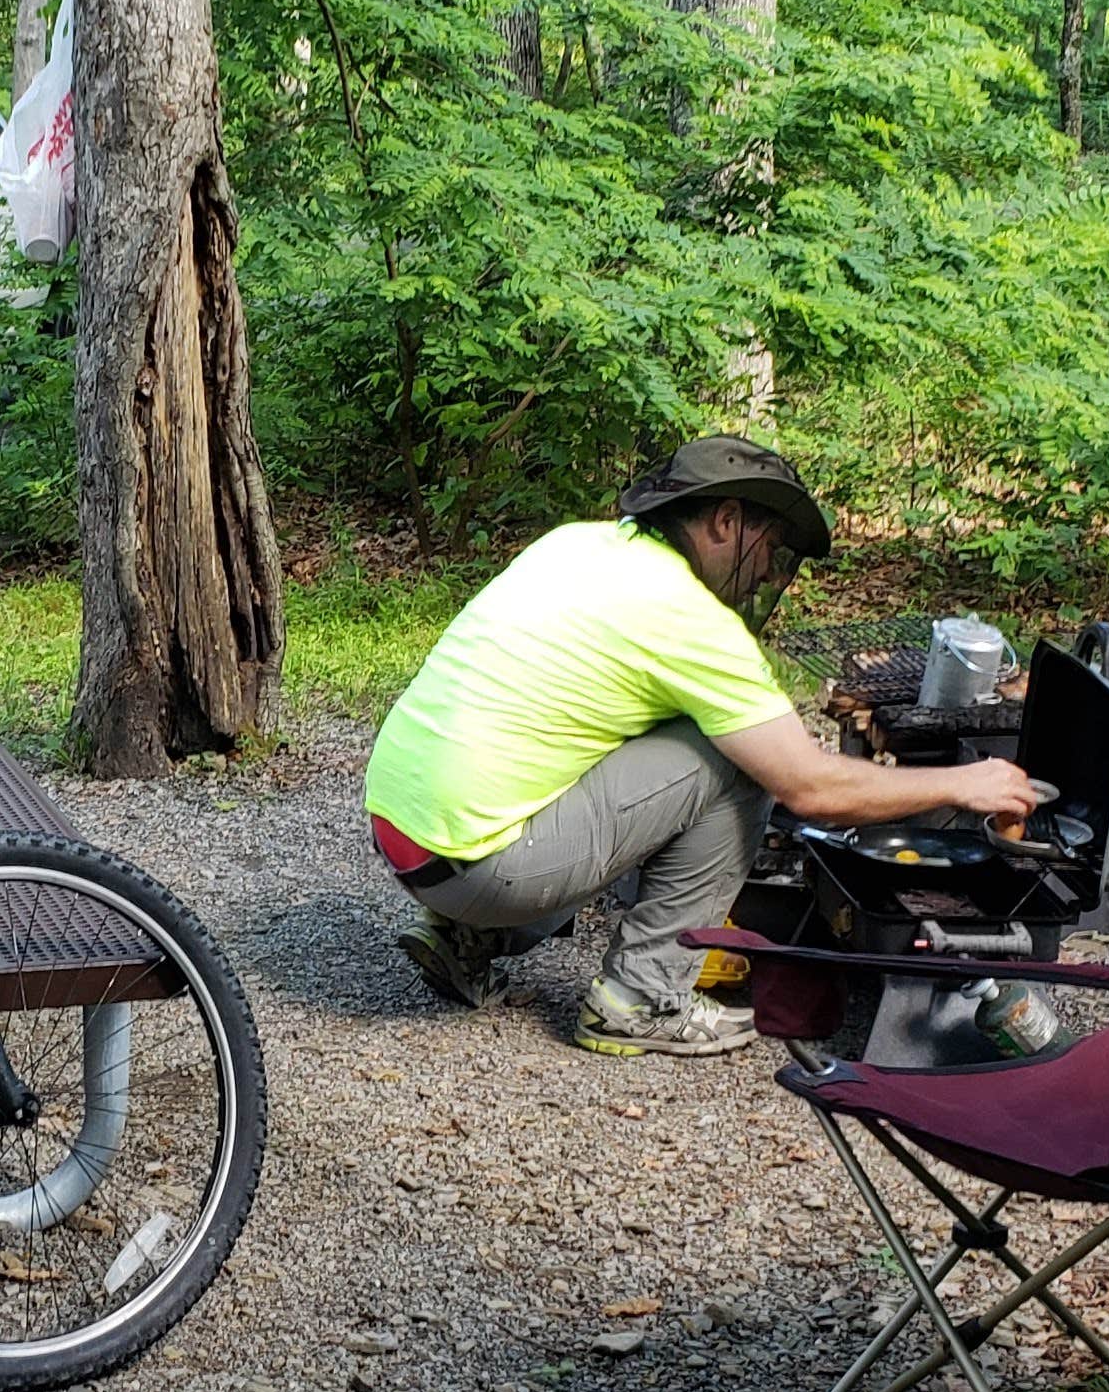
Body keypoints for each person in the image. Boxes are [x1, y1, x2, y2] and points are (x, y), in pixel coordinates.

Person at [364, 436, 1047, 1056]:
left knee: (645, 734)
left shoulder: (580, 543)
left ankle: (465, 937)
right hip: (479, 865)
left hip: (403, 830)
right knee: (735, 767)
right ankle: (639, 1000)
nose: (763, 576)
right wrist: (964, 784)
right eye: (769, 547)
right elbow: (808, 789)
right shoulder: (691, 621)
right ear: (724, 521)